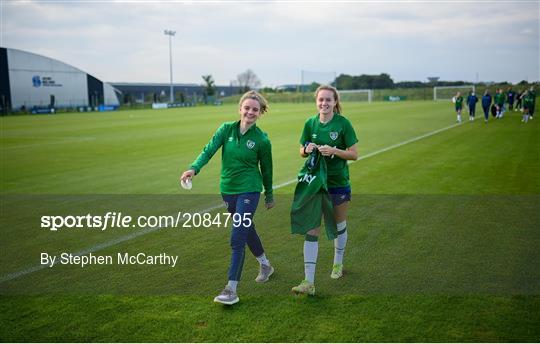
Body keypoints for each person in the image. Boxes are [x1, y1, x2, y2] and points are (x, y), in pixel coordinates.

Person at [180, 90, 275, 305]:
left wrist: (268, 194)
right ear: (240, 108)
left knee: (237, 237)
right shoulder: (226, 130)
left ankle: (231, 289)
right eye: (247, 108)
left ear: (260, 113)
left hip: (249, 190)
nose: (250, 112)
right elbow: (208, 150)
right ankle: (265, 265)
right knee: (247, 229)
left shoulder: (262, 140)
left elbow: (267, 170)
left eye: (255, 109)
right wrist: (193, 169)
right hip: (228, 190)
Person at [291, 85, 358, 295]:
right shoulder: (309, 123)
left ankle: (337, 262)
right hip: (315, 184)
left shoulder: (343, 123)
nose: (324, 103)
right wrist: (306, 149)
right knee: (312, 227)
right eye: (321, 100)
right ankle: (308, 281)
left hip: (337, 183)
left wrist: (334, 151)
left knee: (339, 224)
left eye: (328, 100)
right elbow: (302, 150)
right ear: (316, 101)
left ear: (335, 102)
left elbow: (354, 154)